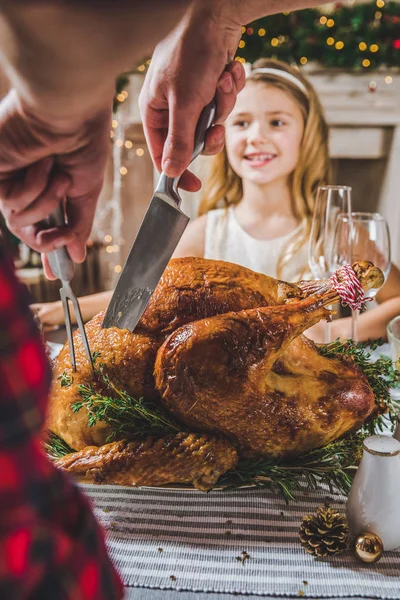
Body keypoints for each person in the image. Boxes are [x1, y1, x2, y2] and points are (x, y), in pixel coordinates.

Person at [0, 1, 328, 597]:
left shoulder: (320, 232)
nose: (257, 135)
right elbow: (149, 299)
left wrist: (209, 20)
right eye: (245, 122)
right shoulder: (208, 226)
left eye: (278, 122)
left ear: (309, 137)